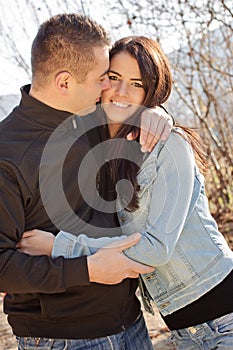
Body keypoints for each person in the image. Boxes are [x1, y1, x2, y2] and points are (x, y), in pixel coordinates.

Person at [19, 36, 233, 350]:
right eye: (115, 79)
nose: (121, 92)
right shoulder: (106, 149)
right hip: (187, 331)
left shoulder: (169, 145)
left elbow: (155, 249)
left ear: (151, 91)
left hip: (224, 318)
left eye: (137, 83)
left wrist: (58, 246)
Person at [0, 14, 174, 350]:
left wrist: (154, 113)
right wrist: (87, 269)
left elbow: (135, 109)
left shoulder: (92, 121)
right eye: (101, 79)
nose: (108, 87)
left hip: (131, 323)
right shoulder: (9, 154)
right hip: (63, 339)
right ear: (64, 83)